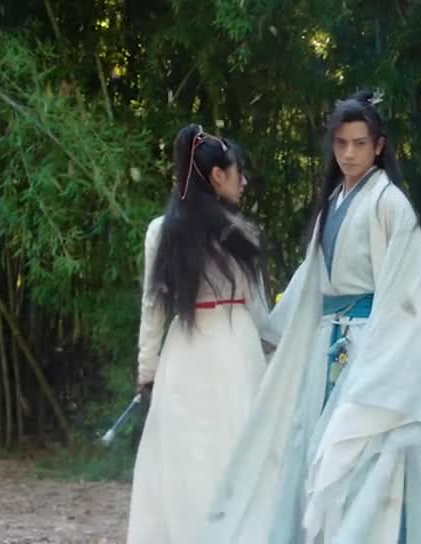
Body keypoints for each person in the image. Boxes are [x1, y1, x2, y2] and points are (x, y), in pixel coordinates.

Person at [203, 90, 421, 544]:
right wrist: (272, 330)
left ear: (379, 146)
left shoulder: (389, 203)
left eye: (359, 143)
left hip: (372, 348)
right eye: (341, 143)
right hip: (328, 346)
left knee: (361, 459)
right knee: (313, 452)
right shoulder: (334, 200)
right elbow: (311, 279)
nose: (349, 153)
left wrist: (385, 356)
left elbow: (413, 291)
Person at [126, 124, 276, 543]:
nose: (243, 182)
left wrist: (147, 372)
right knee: (238, 454)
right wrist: (279, 347)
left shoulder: (162, 231)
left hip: (185, 354)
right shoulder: (239, 232)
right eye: (238, 172)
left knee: (185, 463)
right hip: (236, 348)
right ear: (217, 176)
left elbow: (153, 309)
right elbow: (258, 310)